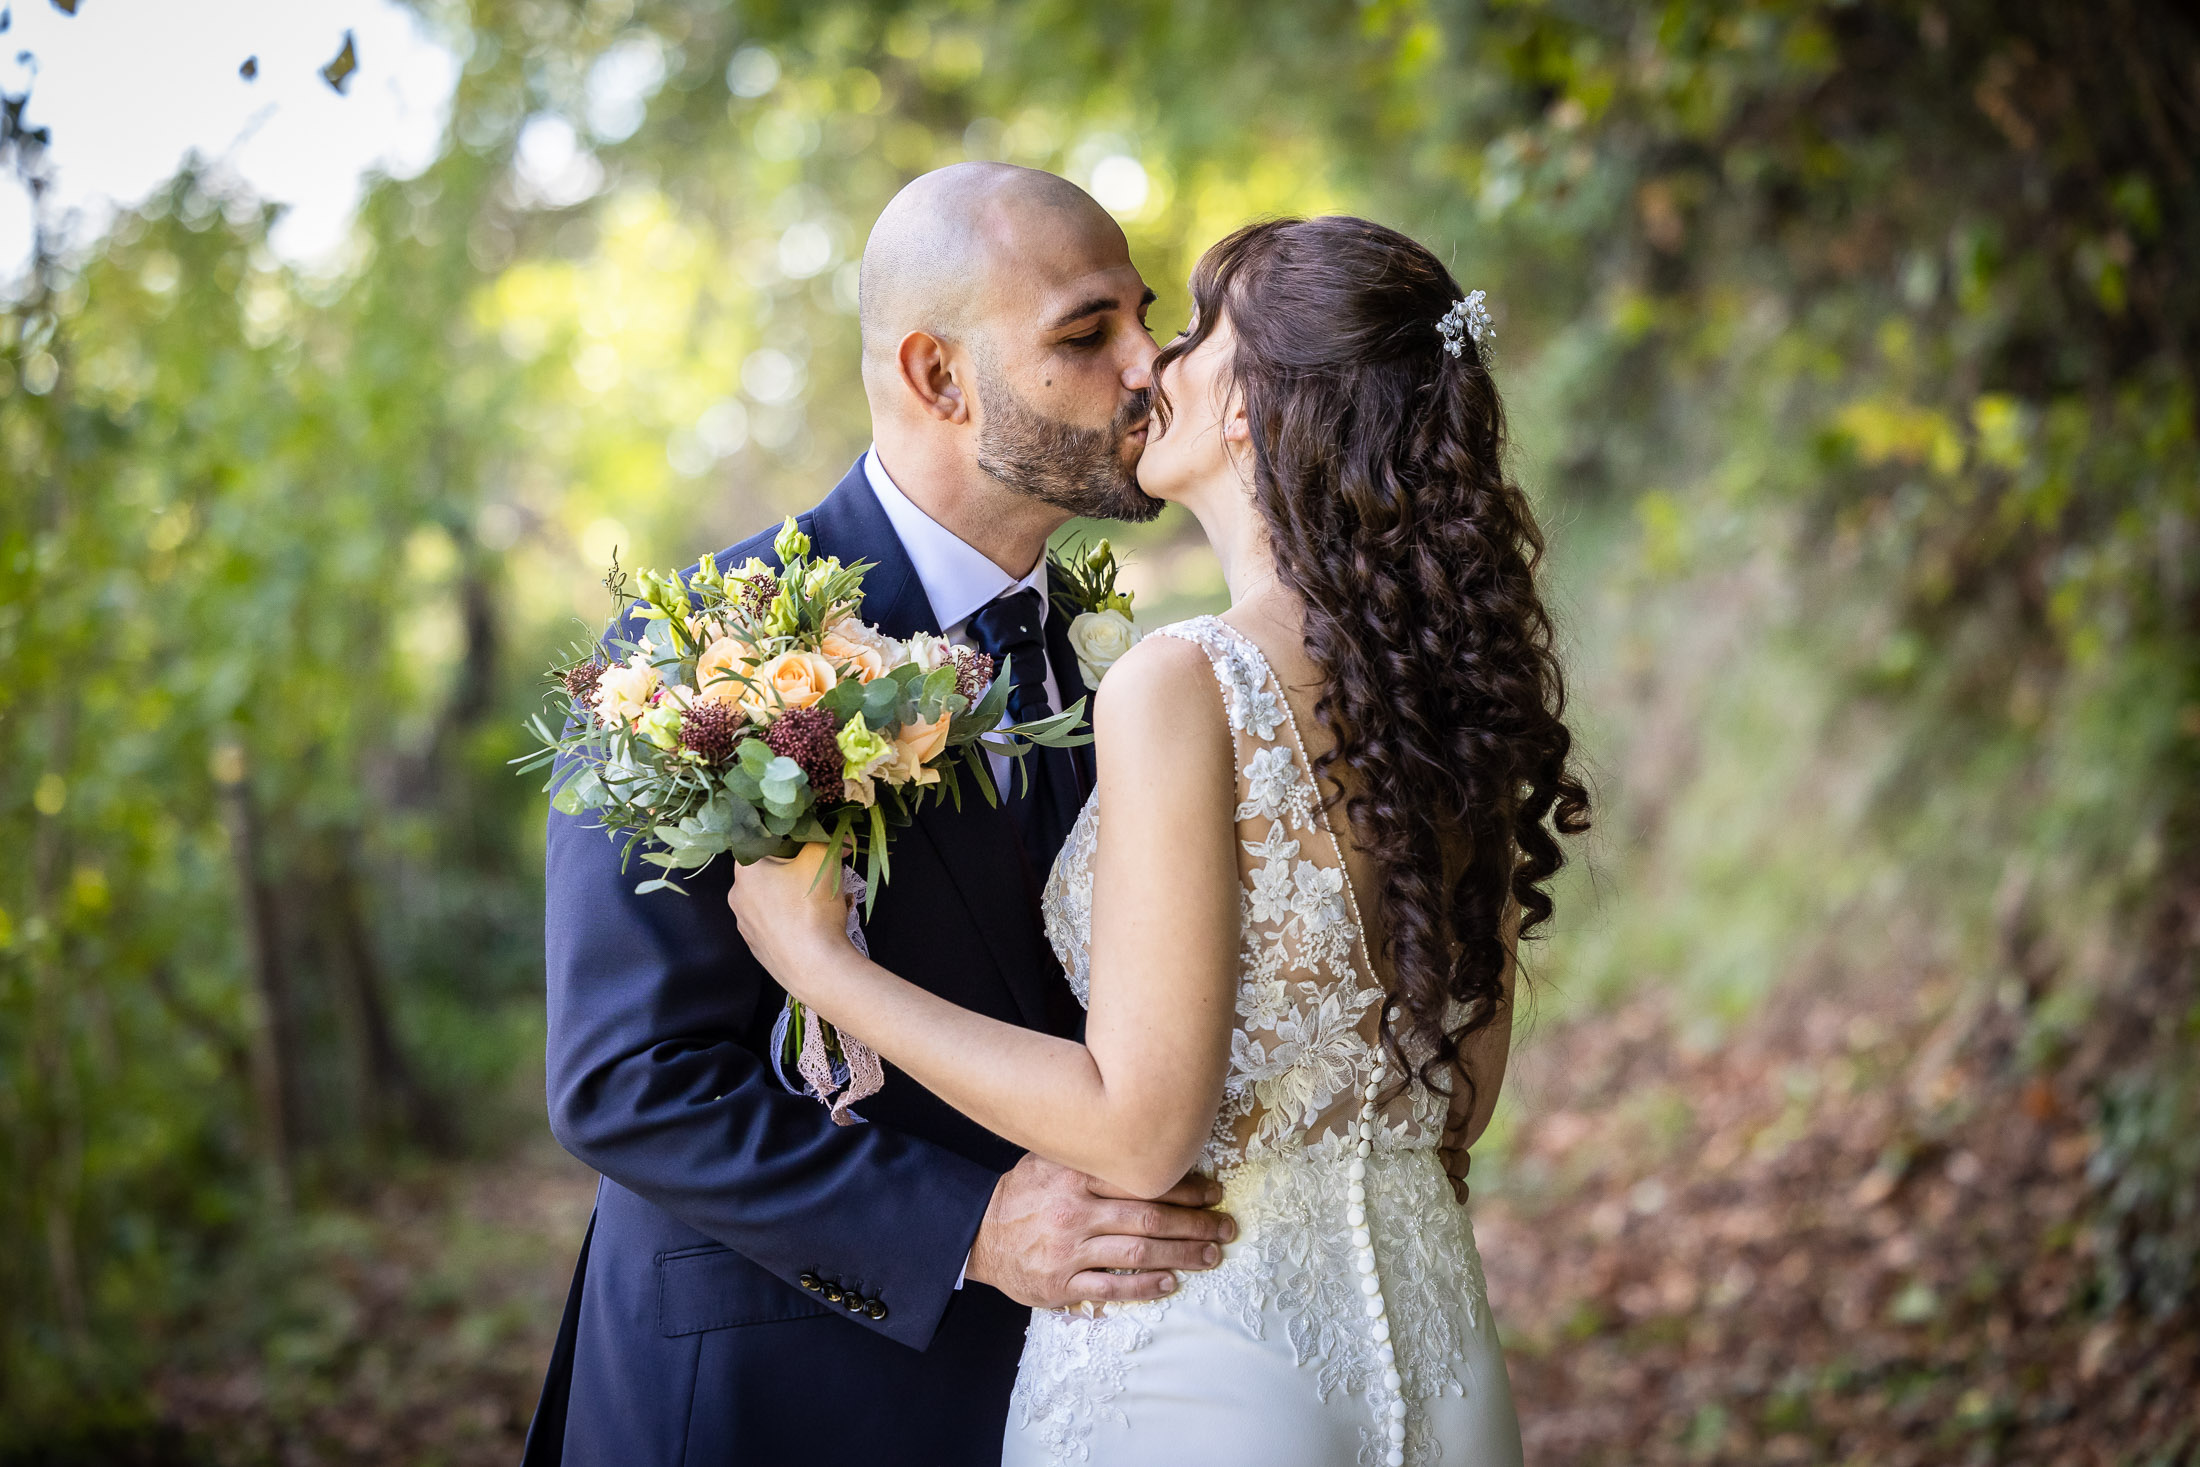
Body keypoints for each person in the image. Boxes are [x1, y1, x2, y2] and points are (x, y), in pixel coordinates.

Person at [730, 215, 1591, 1466]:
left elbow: (1141, 1133)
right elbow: (1456, 1107)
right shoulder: (1453, 698)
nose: (1152, 364)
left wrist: (823, 970)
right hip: (1440, 1353)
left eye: (1189, 332)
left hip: (1206, 1360)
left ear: (1249, 406)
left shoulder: (1184, 681)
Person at [523, 164, 1240, 1467]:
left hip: (1062, 1393)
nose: (1151, 363)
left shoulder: (1118, 667)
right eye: (1089, 334)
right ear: (937, 377)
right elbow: (625, 1077)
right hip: (767, 1394)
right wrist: (966, 1226)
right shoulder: (709, 649)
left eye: (1142, 315)